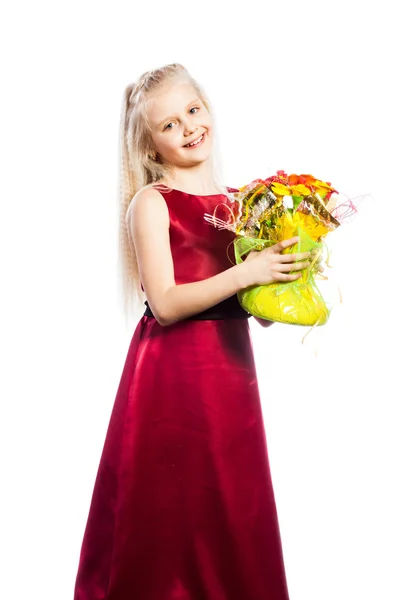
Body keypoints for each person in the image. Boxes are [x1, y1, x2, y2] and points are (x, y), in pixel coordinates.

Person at [73, 63, 311, 600]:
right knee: (168, 505)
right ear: (152, 147)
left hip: (229, 372)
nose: (188, 128)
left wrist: (288, 275)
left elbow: (258, 309)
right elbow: (166, 303)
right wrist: (248, 272)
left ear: (207, 107)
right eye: (170, 125)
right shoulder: (151, 203)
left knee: (231, 500)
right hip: (172, 376)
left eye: (193, 110)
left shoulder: (241, 204)